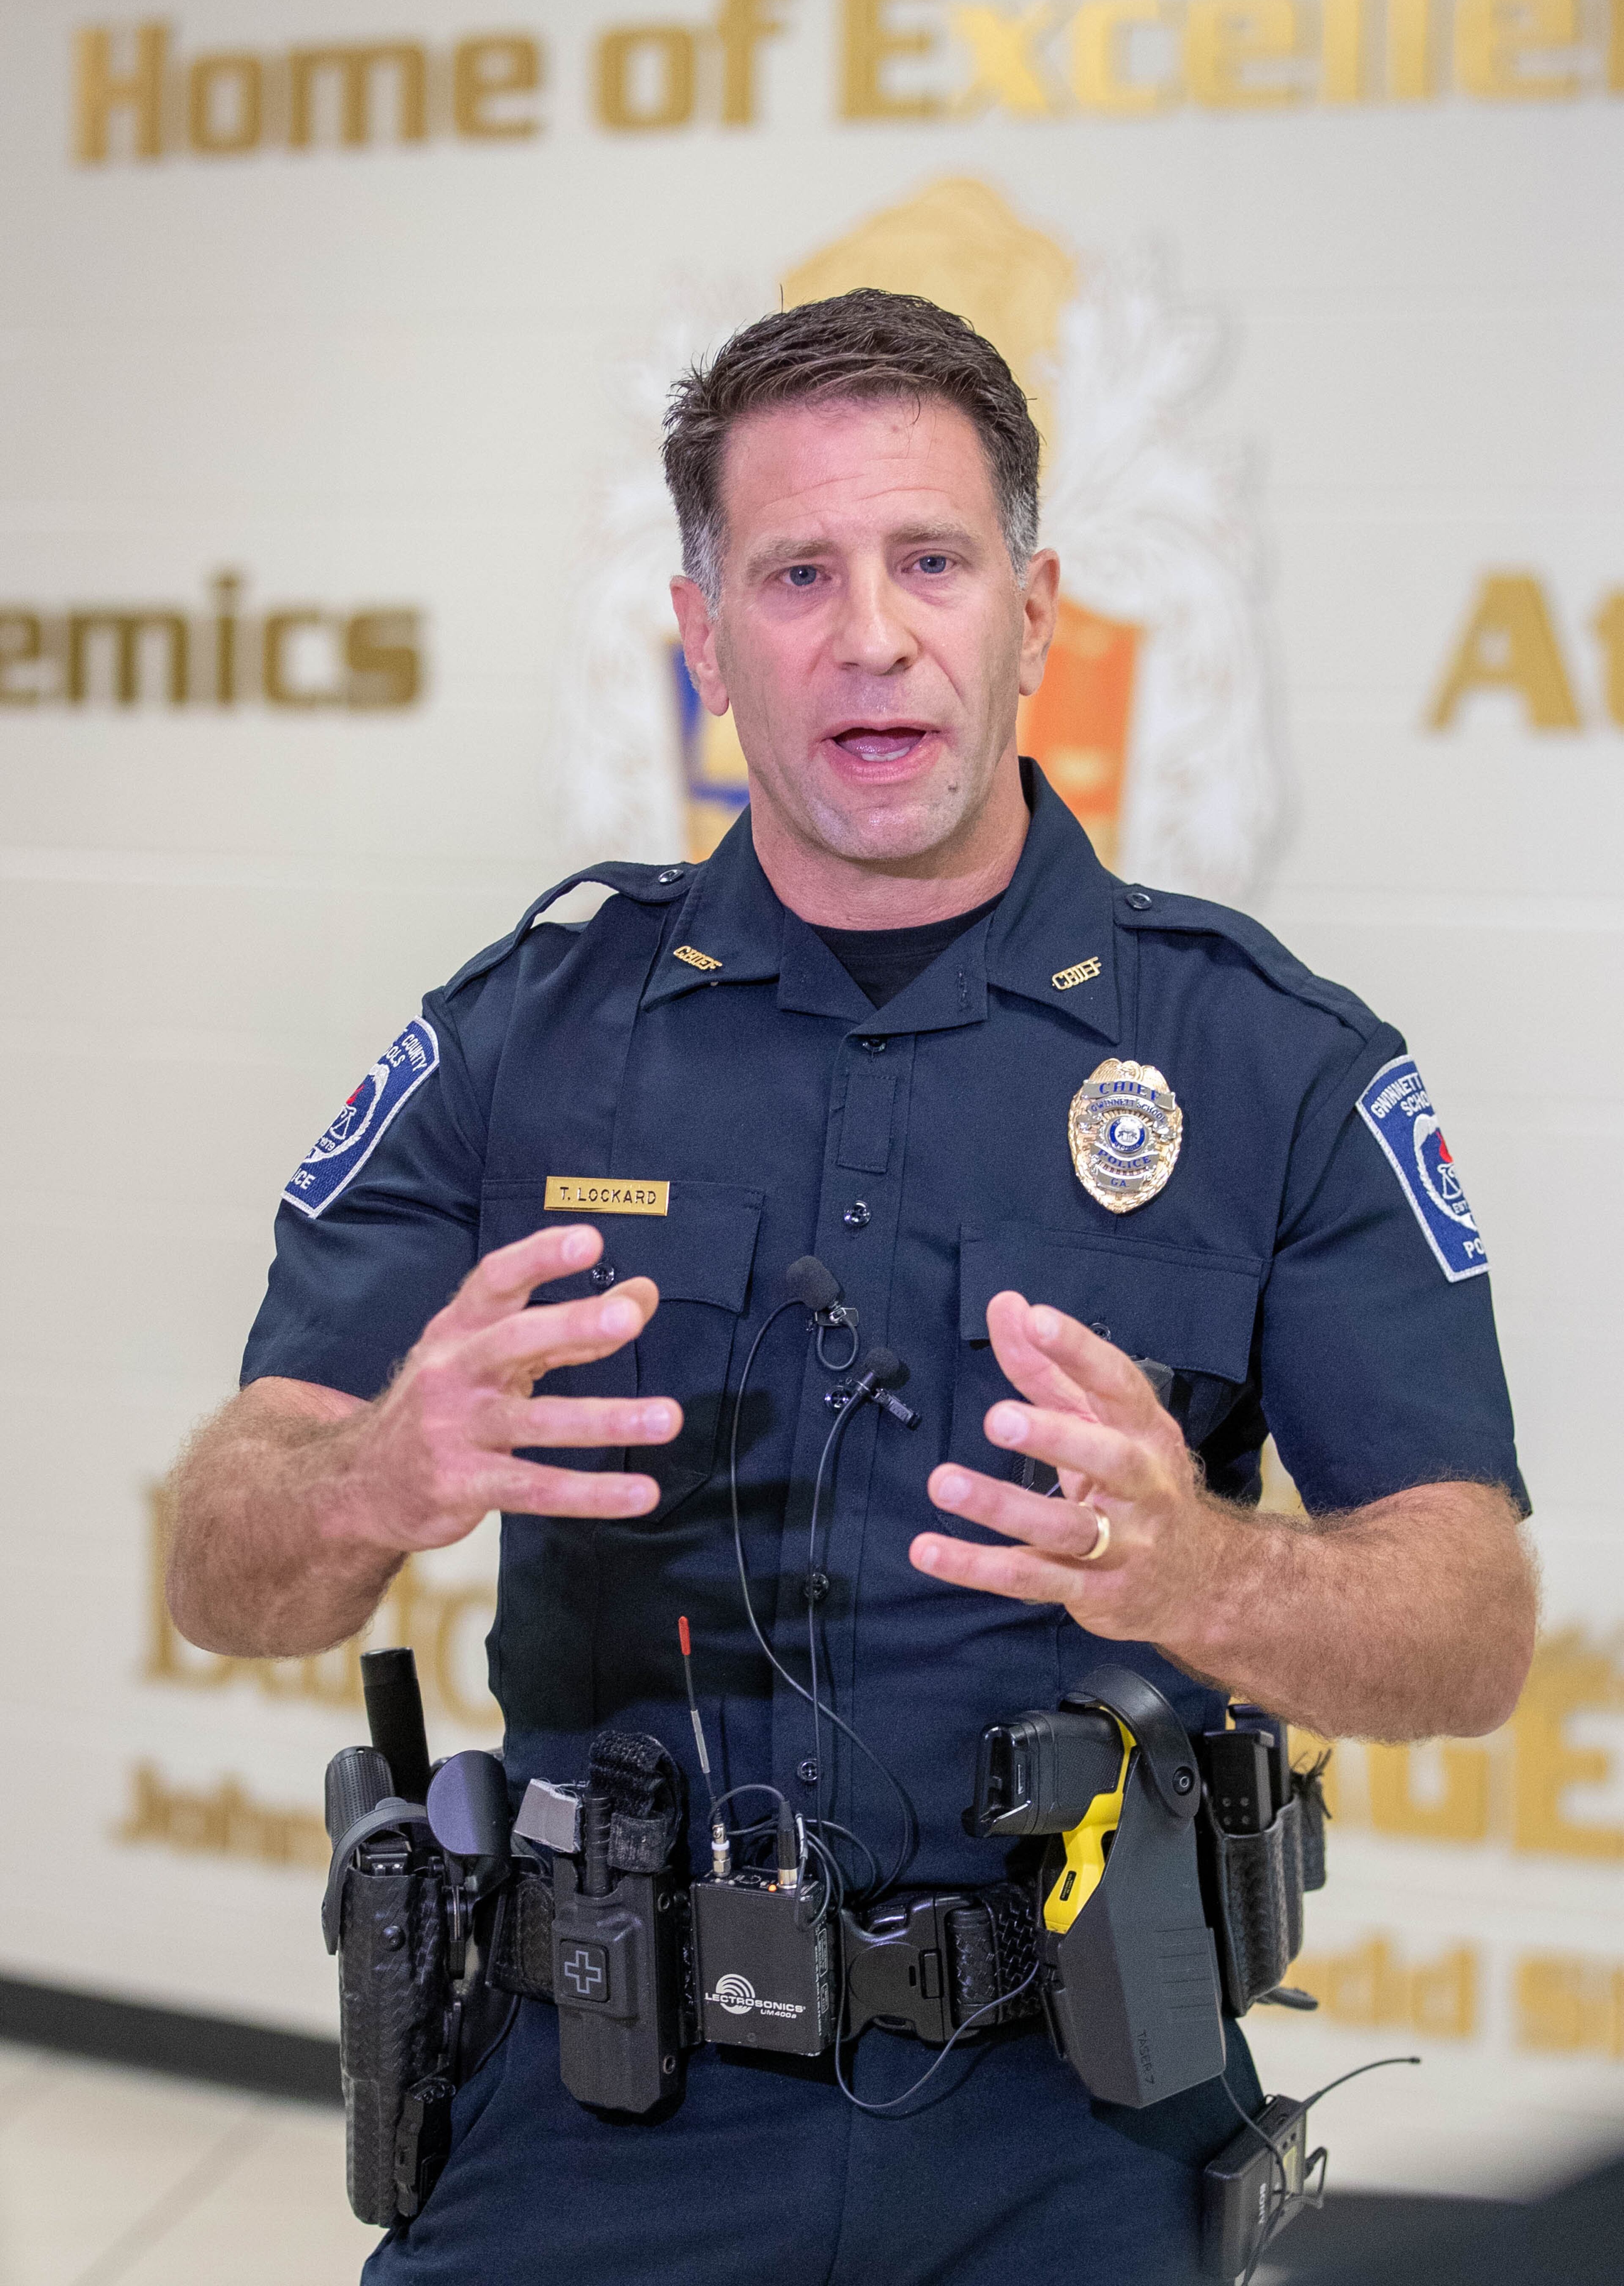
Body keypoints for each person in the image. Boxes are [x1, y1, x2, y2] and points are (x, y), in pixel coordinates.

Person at [165, 289, 1536, 2285]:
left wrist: (1207, 1575)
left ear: (1038, 612)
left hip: (1086, 2125)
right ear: (706, 638)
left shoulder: (1267, 1065)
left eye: (931, 562)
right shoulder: (525, 1042)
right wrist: (375, 1472)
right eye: (797, 573)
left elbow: (1474, 1623)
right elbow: (227, 1564)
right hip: (601, 2113)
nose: (871, 635)